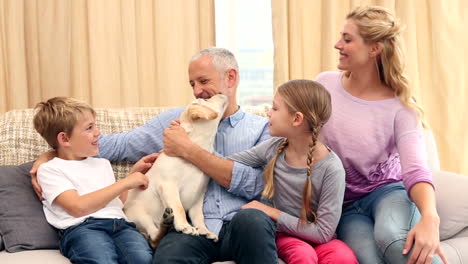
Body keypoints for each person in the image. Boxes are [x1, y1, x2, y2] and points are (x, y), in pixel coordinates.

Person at [31, 48, 278, 264]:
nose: (197, 91)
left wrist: (188, 150)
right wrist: (51, 153)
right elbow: (115, 144)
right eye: (192, 84)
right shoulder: (176, 120)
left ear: (231, 77)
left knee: (253, 219)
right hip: (190, 228)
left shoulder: (262, 129)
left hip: (240, 222)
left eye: (203, 81)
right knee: (165, 258)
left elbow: (260, 185)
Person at [315, 5, 447, 264]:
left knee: (392, 238)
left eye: (347, 39)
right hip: (345, 206)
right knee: (370, 259)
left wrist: (430, 218)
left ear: (374, 48)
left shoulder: (401, 106)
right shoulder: (324, 85)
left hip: (388, 192)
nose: (337, 44)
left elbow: (415, 169)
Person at [210, 79, 358, 264]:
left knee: (343, 257)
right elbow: (222, 163)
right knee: (303, 255)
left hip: (320, 237)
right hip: (284, 235)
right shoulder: (273, 148)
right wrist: (180, 152)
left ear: (296, 119)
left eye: (275, 108)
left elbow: (323, 233)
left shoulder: (332, 168)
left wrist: (269, 211)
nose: (268, 112)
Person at [32, 97, 154, 264]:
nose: (97, 132)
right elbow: (78, 207)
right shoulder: (50, 170)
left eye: (95, 125)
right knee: (101, 260)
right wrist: (125, 183)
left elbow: (118, 203)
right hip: (83, 229)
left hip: (121, 226)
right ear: (65, 139)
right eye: (89, 128)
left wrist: (132, 175)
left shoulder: (102, 163)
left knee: (143, 259)